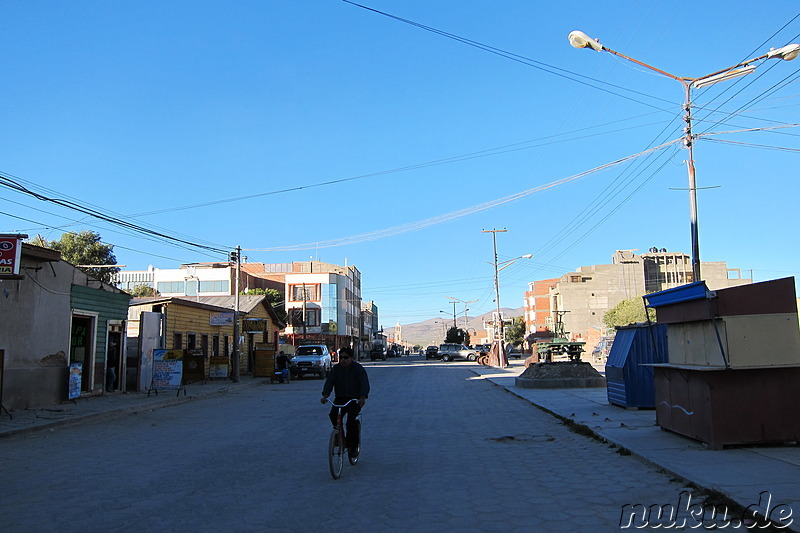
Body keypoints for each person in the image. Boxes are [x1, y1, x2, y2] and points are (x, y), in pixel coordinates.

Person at [320, 346, 369, 458]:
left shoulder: (358, 369)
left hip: (354, 399)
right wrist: (325, 395)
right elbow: (329, 382)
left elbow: (364, 384)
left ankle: (353, 447)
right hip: (340, 398)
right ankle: (339, 436)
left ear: (351, 358)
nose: (343, 360)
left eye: (345, 357)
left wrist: (362, 397)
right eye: (340, 357)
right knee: (333, 415)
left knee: (351, 422)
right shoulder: (336, 369)